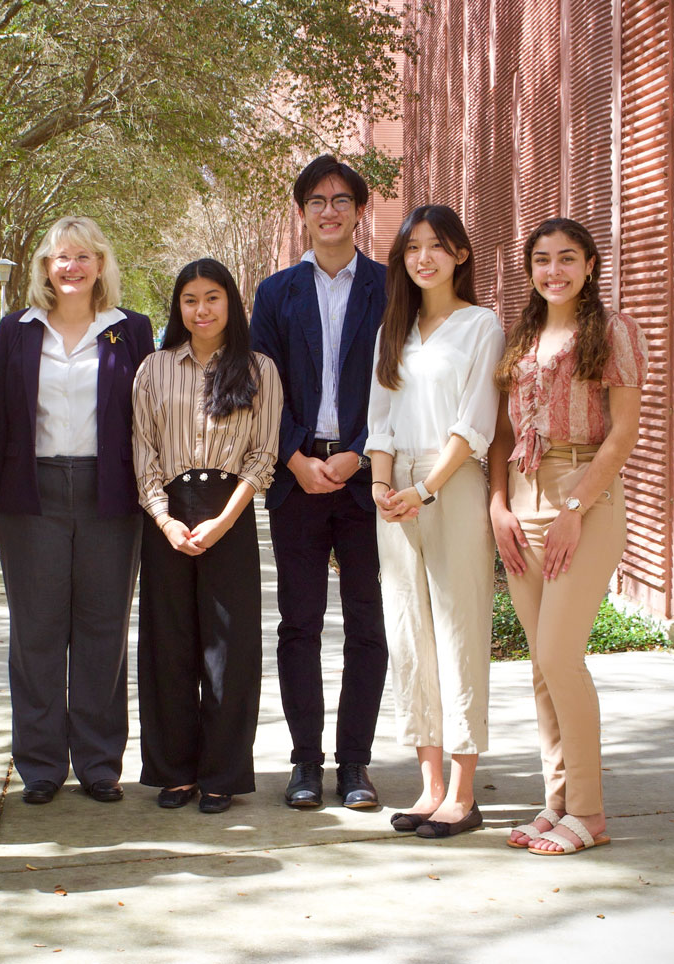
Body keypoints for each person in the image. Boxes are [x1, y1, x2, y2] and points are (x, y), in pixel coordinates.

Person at [0, 216, 154, 806]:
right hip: (33, 495)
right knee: (37, 632)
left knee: (103, 629)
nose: (71, 267)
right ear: (44, 269)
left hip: (111, 495)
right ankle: (42, 764)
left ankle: (100, 763)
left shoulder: (129, 331)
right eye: (59, 258)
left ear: (101, 264)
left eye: (82, 256)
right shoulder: (16, 332)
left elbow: (149, 420)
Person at [489, 217, 648, 855]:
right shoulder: (522, 334)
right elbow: (501, 432)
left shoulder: (612, 331)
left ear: (588, 267)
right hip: (521, 499)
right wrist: (498, 504)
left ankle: (589, 812)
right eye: (542, 260)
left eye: (567, 259)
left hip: (585, 497)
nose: (553, 271)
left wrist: (576, 506)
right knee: (540, 668)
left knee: (559, 656)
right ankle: (556, 806)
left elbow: (624, 433)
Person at [249, 155, 389, 809]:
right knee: (298, 625)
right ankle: (306, 763)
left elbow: (400, 384)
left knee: (367, 626)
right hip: (298, 478)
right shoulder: (277, 294)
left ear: (360, 210)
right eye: (316, 201)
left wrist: (361, 453)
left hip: (364, 478)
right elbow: (260, 388)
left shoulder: (389, 289)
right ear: (301, 213)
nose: (329, 211)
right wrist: (293, 459)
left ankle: (355, 764)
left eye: (341, 199)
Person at [365, 205, 505, 838]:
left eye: (437, 246)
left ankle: (464, 792)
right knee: (408, 633)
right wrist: (379, 484)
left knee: (459, 629)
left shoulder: (482, 326)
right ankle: (428, 786)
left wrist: (424, 488)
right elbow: (380, 419)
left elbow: (474, 421)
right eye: (413, 247)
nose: (424, 257)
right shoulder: (394, 329)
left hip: (452, 482)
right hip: (395, 492)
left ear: (461, 255)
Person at [131, 259, 281, 814]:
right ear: (179, 308)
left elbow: (263, 454)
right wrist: (165, 518)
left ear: (230, 303)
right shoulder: (153, 368)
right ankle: (174, 771)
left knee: (229, 650)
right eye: (190, 300)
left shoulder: (259, 369)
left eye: (213, 298)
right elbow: (142, 451)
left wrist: (224, 519)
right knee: (169, 647)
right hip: (167, 515)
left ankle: (222, 774)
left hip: (230, 513)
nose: (202, 309)